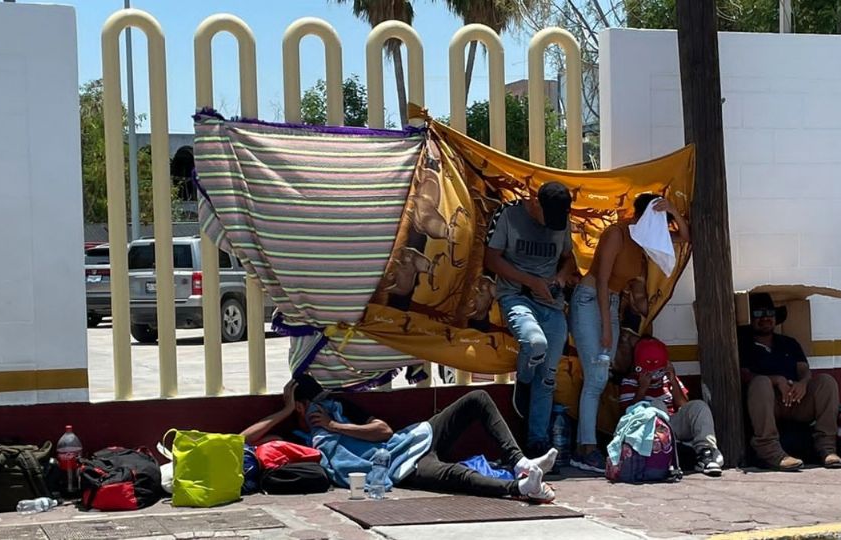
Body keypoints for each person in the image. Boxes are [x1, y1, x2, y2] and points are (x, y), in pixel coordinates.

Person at [246, 375, 558, 502]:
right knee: (457, 475)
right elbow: (242, 440)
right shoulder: (297, 437)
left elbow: (384, 431)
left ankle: (520, 462)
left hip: (409, 440)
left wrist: (336, 426)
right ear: (302, 406)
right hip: (398, 469)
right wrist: (287, 410)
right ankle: (519, 488)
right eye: (314, 405)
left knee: (477, 397)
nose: (324, 407)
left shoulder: (339, 410)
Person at [570, 193, 689, 473]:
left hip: (610, 303)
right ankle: (585, 448)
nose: (661, 227)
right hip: (590, 300)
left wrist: (672, 209)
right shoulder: (618, 233)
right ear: (640, 216)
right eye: (656, 219)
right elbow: (600, 279)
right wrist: (607, 327)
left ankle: (586, 445)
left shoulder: (646, 238)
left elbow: (685, 237)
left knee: (601, 372)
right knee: (597, 375)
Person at [485, 181, 576, 458]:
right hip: (517, 295)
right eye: (547, 218)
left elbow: (569, 258)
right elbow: (490, 259)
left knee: (548, 377)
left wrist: (559, 278)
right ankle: (523, 381)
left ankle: (537, 439)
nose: (552, 225)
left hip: (550, 301)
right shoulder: (509, 215)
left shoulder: (562, 220)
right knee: (536, 344)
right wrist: (531, 282)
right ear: (535, 202)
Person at [739, 292, 841, 471]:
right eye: (758, 314)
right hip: (767, 405)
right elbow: (744, 376)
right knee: (761, 383)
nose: (765, 318)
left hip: (795, 399)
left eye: (769, 314)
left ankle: (827, 449)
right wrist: (777, 380)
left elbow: (804, 370)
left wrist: (802, 383)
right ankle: (769, 450)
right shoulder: (743, 344)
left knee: (827, 381)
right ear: (750, 318)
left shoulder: (789, 343)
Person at [618, 336, 724, 476]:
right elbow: (628, 413)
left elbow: (684, 405)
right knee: (656, 404)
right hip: (650, 430)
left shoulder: (667, 379)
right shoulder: (629, 382)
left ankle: (706, 454)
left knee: (698, 406)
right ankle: (670, 453)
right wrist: (642, 389)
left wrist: (673, 380)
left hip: (673, 424)